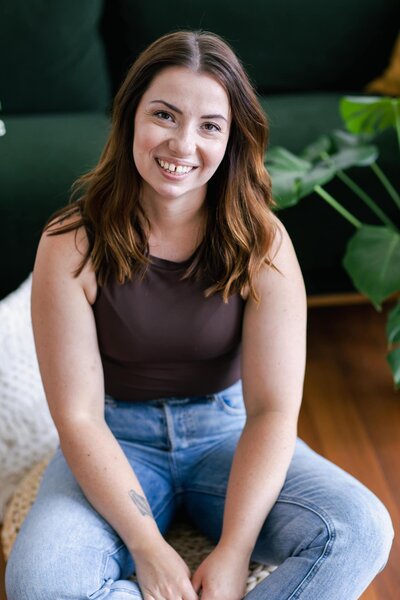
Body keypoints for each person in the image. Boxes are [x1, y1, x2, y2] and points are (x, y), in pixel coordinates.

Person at [5, 30, 393, 600]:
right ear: (130, 117)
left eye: (210, 125)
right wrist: (148, 549)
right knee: (39, 582)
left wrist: (235, 551)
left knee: (362, 531)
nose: (183, 145)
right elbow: (79, 418)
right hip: (116, 437)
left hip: (228, 433)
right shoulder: (69, 243)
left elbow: (272, 410)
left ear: (232, 138)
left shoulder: (264, 243)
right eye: (164, 115)